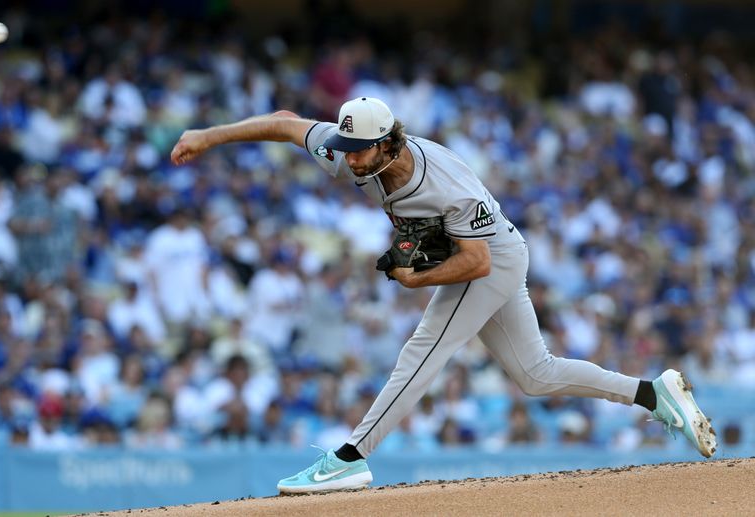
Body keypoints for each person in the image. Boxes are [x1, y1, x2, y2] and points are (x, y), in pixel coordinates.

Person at [170, 96, 716, 494]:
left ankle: (350, 457)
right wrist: (207, 135)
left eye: (360, 151)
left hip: (491, 256)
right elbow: (287, 125)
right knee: (535, 374)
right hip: (487, 253)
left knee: (424, 348)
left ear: (388, 142)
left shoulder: (445, 185)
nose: (351, 161)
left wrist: (415, 279)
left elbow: (476, 261)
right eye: (347, 149)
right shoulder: (354, 148)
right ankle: (652, 393)